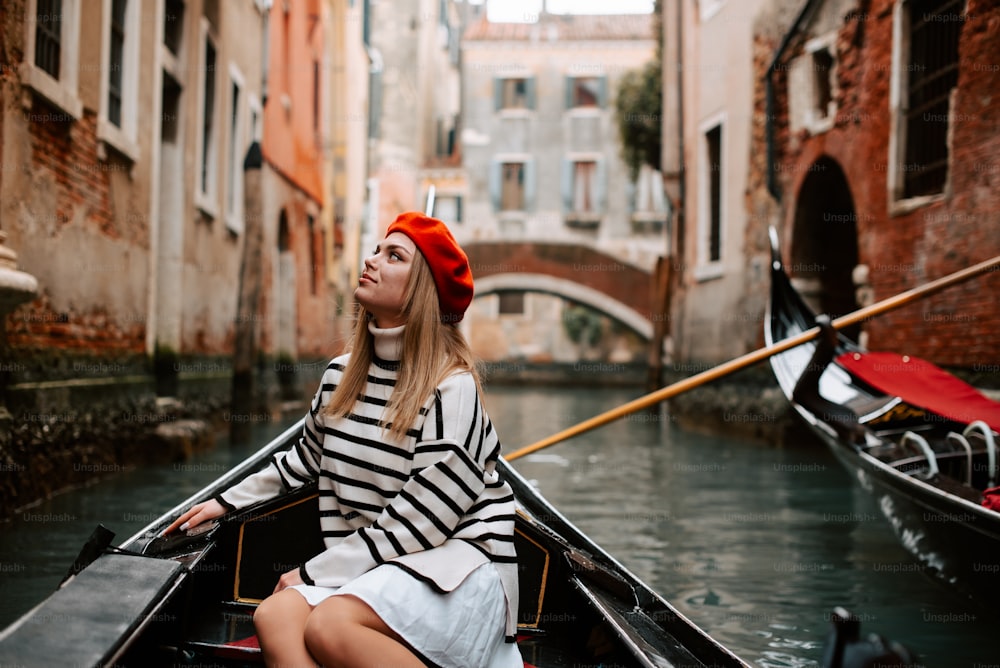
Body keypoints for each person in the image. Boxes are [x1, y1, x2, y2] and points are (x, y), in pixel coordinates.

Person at [164, 212, 522, 668]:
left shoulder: (452, 388)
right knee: (274, 616)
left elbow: (421, 523)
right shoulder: (341, 376)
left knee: (330, 623)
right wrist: (226, 502)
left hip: (456, 567)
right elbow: (303, 460)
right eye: (377, 249)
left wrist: (312, 572)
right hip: (381, 563)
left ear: (422, 290)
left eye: (394, 256)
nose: (371, 260)